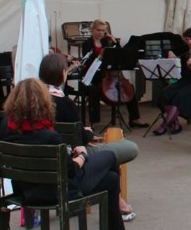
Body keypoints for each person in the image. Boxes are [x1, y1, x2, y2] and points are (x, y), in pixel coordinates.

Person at [0, 78, 149, 230]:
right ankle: (119, 224)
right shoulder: (48, 136)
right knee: (109, 157)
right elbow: (70, 171)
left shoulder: (5, 128)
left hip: (25, 191)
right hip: (59, 192)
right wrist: (82, 156)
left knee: (111, 179)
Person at [38, 53, 140, 220]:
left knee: (108, 162)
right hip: (71, 158)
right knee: (126, 150)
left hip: (45, 161)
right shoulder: (65, 104)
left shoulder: (33, 101)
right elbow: (79, 140)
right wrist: (87, 132)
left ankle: (119, 203)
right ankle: (119, 204)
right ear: (63, 74)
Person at [80, 19, 146, 129]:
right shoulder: (87, 44)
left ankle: (135, 119)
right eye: (98, 30)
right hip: (94, 76)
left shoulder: (107, 42)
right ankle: (93, 121)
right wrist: (100, 55)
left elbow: (120, 54)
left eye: (103, 31)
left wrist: (115, 42)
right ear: (92, 30)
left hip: (109, 75)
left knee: (130, 88)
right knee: (94, 90)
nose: (101, 33)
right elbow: (87, 62)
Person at [155, 28, 191, 136]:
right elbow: (170, 52)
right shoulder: (185, 49)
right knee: (165, 93)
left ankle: (165, 124)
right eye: (187, 39)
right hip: (185, 80)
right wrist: (171, 53)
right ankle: (176, 124)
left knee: (179, 97)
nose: (189, 42)